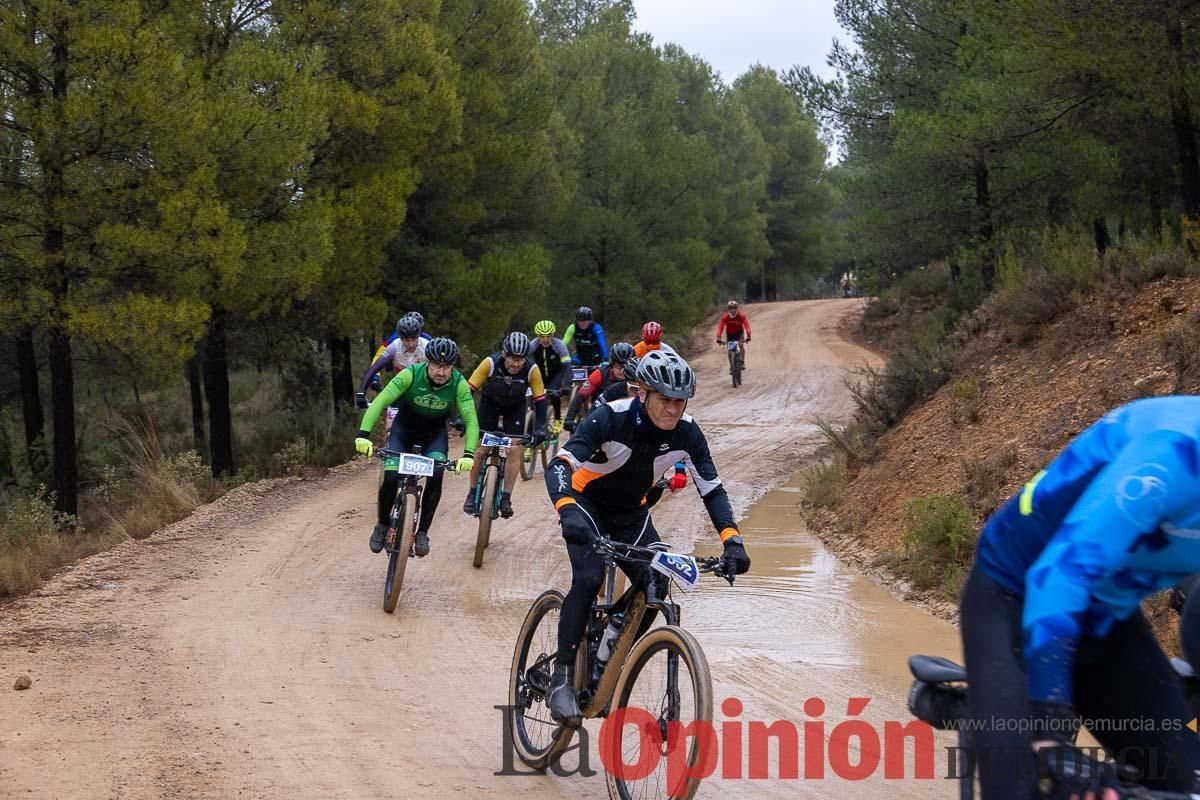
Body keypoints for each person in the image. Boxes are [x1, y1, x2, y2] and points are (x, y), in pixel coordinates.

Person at [960, 396, 1200, 799]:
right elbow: (1059, 576)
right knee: (1023, 787)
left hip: (1108, 614)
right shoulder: (1171, 455)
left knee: (1184, 783)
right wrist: (1051, 735)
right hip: (1016, 593)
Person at [542, 349, 751, 726]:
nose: (672, 409)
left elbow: (713, 489)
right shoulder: (611, 417)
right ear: (644, 395)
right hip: (585, 505)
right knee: (589, 578)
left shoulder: (688, 432)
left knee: (655, 583)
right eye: (664, 400)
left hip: (631, 514)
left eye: (679, 401)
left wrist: (732, 540)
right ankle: (560, 680)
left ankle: (609, 654)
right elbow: (561, 465)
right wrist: (567, 509)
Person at [354, 338, 478, 557]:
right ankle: (382, 524)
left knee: (437, 474)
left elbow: (471, 419)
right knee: (391, 476)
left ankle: (422, 532)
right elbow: (382, 401)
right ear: (427, 362)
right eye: (437, 366)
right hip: (404, 430)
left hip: (434, 435)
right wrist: (363, 435)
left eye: (447, 367)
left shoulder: (458, 383)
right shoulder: (411, 374)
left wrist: (468, 454)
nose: (441, 371)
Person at [464, 332, 548, 519]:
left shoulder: (532, 370)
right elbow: (467, 392)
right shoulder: (490, 363)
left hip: (515, 408)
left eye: (520, 359)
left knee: (513, 449)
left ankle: (506, 498)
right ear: (504, 354)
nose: (516, 364)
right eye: (512, 358)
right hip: (489, 405)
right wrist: (464, 418)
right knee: (480, 450)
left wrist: (541, 428)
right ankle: (472, 491)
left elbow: (540, 400)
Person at [357, 314, 427, 409]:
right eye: (407, 340)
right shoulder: (394, 343)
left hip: (422, 387)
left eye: (414, 339)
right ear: (400, 337)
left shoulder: (427, 344)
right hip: (401, 384)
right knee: (380, 405)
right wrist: (362, 392)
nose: (411, 345)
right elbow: (376, 366)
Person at [562, 342, 636, 432]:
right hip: (601, 415)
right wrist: (569, 419)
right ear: (612, 364)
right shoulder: (600, 374)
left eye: (626, 366)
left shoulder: (638, 376)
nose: (623, 370)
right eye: (619, 366)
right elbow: (580, 396)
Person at [529, 320, 570, 425]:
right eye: (542, 336)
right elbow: (523, 362)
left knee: (554, 394)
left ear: (553, 335)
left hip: (556, 374)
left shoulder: (559, 345)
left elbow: (567, 366)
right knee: (533, 397)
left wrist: (567, 384)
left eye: (548, 336)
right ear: (538, 336)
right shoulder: (533, 345)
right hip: (540, 374)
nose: (545, 339)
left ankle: (558, 420)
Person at [716, 300, 751, 369]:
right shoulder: (725, 317)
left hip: (739, 333)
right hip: (730, 334)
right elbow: (720, 327)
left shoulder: (741, 316)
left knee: (741, 345)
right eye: (730, 308)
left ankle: (742, 362)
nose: (732, 310)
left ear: (736, 308)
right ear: (728, 309)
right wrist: (718, 337)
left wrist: (748, 335)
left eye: (734, 308)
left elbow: (746, 325)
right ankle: (732, 366)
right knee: (730, 350)